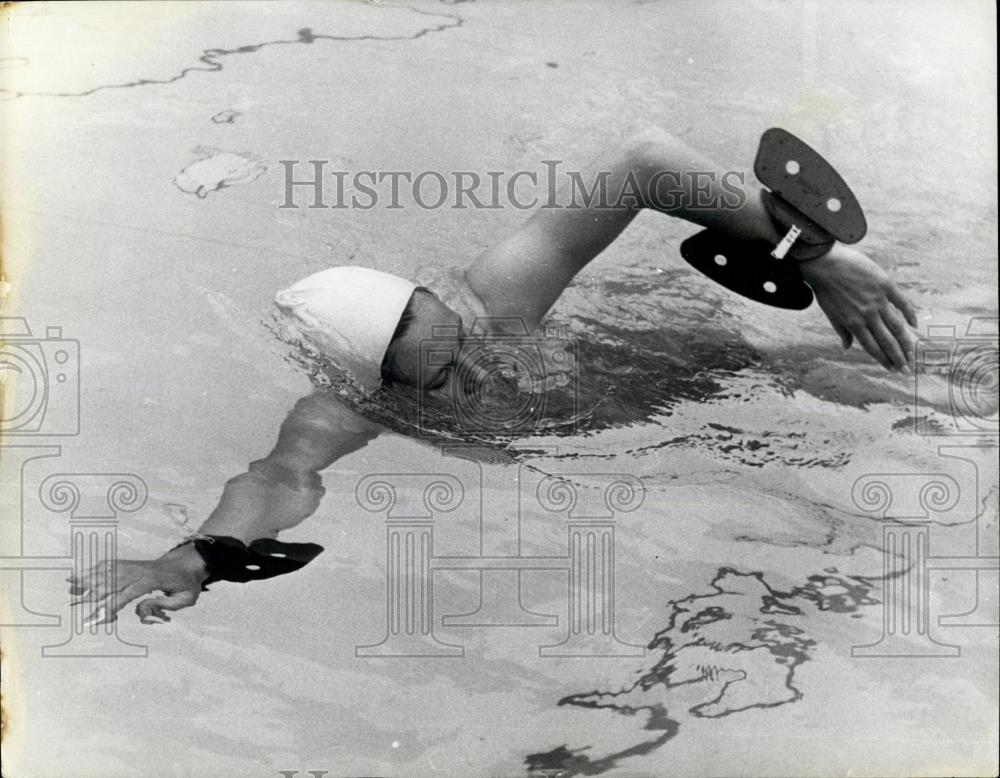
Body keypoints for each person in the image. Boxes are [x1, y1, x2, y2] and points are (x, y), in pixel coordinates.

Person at [68, 126, 918, 625]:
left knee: (927, 386)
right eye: (444, 376)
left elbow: (642, 157)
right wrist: (200, 555)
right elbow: (277, 477)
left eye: (460, 336)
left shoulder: (491, 303)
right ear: (386, 391)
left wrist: (813, 255)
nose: (479, 366)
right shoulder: (345, 410)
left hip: (707, 363)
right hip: (695, 429)